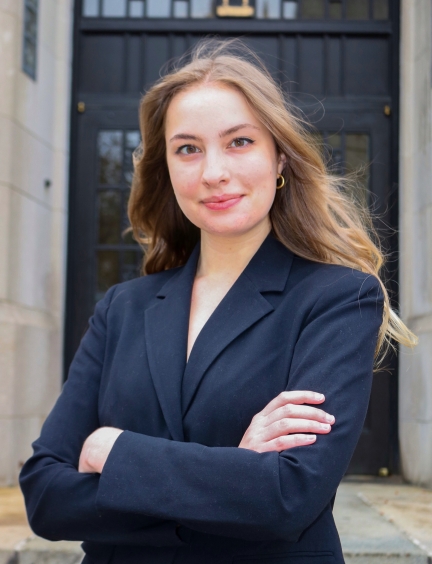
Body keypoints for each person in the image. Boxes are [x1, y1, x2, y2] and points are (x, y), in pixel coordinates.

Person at [19, 39, 417, 564]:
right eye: (188, 148)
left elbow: (286, 498)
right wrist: (233, 472)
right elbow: (46, 497)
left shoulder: (339, 298)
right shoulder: (122, 309)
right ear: (167, 169)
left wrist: (114, 452)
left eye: (239, 142)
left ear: (279, 156)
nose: (213, 173)